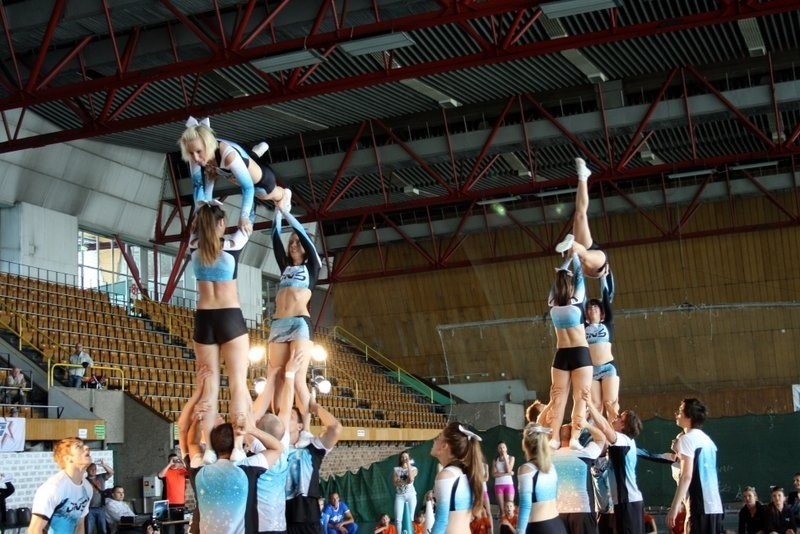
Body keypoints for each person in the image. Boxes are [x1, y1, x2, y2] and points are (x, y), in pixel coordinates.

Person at [188, 202, 255, 460]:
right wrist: (246, 217)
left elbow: (199, 199)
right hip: (229, 316)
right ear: (219, 224)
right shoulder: (234, 243)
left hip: (204, 318)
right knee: (238, 383)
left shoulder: (194, 245)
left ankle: (208, 450)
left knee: (209, 386)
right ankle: (238, 447)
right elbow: (249, 191)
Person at [255, 203, 322, 427]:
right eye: (291, 242)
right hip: (278, 325)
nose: (293, 244)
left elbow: (304, 234)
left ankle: (305, 429)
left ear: (305, 247)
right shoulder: (284, 267)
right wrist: (276, 213)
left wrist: (286, 212)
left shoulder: (312, 266)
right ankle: (276, 426)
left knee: (299, 379)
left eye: (296, 242)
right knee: (277, 378)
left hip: (299, 324)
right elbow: (275, 238)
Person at [179, 116, 291, 234]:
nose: (195, 158)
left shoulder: (228, 156)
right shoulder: (196, 155)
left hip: (260, 179)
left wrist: (244, 217)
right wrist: (199, 214)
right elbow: (199, 186)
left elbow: (248, 188)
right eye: (191, 153)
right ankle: (254, 154)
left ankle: (284, 194)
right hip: (238, 162)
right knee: (215, 171)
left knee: (263, 194)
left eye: (198, 152)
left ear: (207, 145)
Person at [546, 252, 592, 449]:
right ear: (571, 286)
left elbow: (557, 281)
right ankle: (574, 437)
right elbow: (580, 274)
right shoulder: (577, 300)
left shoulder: (552, 304)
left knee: (558, 398)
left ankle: (554, 439)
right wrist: (574, 255)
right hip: (580, 353)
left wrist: (564, 264)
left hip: (561, 354)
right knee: (580, 397)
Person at [584, 392, 644, 534]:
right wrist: (609, 408)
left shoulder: (622, 440)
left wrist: (590, 406)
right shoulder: (626, 440)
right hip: (625, 502)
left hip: (628, 502)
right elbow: (608, 426)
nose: (615, 419)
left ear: (623, 425)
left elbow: (605, 428)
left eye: (619, 418)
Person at [285, 398, 343, 534]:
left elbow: (336, 428)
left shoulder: (311, 449)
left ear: (299, 426)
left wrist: (315, 407)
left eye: (291, 417)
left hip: (308, 519)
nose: (285, 418)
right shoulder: (273, 450)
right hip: (280, 519)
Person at [665, 399, 723, 534]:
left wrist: (674, 507)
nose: (677, 414)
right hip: (716, 507)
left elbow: (686, 476)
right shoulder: (708, 441)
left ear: (689, 416)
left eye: (679, 412)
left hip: (700, 507)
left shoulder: (686, 439)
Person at [555, 158, 609, 277]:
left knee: (579, 215)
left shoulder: (579, 270)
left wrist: (564, 268)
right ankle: (571, 244)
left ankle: (583, 176)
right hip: (599, 264)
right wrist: (606, 274)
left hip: (583, 254)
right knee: (582, 255)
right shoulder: (601, 268)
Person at [429, 421, 486, 534]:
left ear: (444, 446)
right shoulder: (462, 473)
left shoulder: (446, 476)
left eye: (439, 437)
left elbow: (441, 521)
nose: (434, 440)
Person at [29, 437, 94, 533]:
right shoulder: (53, 488)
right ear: (68, 458)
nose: (86, 447)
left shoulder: (87, 488)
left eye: (84, 445)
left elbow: (80, 524)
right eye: (78, 447)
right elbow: (34, 530)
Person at [552, 422, 606, 534]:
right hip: (582, 511)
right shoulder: (584, 453)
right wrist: (586, 424)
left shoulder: (550, 456)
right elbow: (601, 439)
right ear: (575, 436)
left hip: (558, 512)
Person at [515, 423, 566, 534]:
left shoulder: (526, 469)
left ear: (525, 444)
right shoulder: (551, 467)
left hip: (539, 527)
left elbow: (525, 505)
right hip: (557, 525)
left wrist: (519, 531)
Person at [584, 271, 619, 419]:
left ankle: (616, 435)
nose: (593, 309)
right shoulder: (582, 326)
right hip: (591, 370)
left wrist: (603, 277)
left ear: (601, 313)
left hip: (607, 367)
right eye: (590, 307)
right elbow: (581, 300)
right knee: (595, 405)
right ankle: (599, 439)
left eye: (596, 307)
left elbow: (605, 299)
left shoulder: (607, 323)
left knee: (610, 403)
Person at [85, 459, 114, 534]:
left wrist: (104, 465)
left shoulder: (101, 477)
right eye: (91, 469)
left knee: (103, 531)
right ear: (87, 470)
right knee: (89, 530)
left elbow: (111, 472)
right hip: (89, 509)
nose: (93, 470)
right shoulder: (84, 481)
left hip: (101, 508)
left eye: (95, 469)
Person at [393, 451, 418, 534]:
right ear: (400, 459)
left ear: (409, 458)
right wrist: (405, 482)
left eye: (406, 457)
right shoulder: (396, 469)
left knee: (410, 518)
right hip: (399, 495)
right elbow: (395, 483)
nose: (404, 459)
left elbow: (411, 479)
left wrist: (408, 465)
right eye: (403, 457)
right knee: (398, 519)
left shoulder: (414, 468)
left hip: (411, 495)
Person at [492, 442, 515, 519]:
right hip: (498, 486)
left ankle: (511, 528)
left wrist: (505, 458)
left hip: (509, 485)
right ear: (498, 450)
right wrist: (507, 473)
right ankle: (503, 528)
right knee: (502, 510)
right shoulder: (495, 460)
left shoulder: (511, 458)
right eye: (500, 448)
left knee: (510, 509)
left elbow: (508, 469)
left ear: (506, 448)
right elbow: (494, 475)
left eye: (503, 447)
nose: (502, 449)